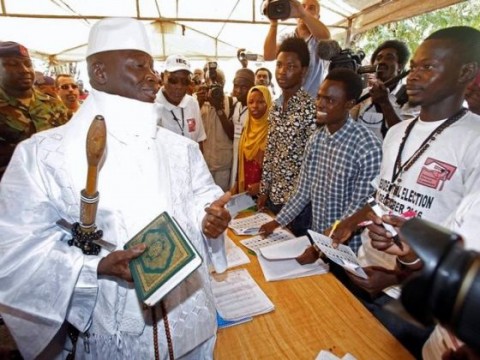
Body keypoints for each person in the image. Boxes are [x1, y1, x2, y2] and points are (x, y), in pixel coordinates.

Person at [0, 17, 231, 359]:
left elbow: (202, 196)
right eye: (139, 66)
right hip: (114, 330)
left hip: (189, 322)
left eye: (152, 67)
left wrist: (210, 218)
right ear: (99, 73)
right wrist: (95, 267)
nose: (153, 76)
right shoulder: (43, 155)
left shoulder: (178, 147)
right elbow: (14, 250)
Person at [329, 26, 480, 358]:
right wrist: (353, 219)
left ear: (465, 73)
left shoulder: (474, 140)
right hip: (365, 268)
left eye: (429, 67)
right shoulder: (397, 131)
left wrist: (394, 275)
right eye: (415, 67)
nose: (414, 76)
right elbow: (384, 195)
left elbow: (467, 256)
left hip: (412, 299)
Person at [259, 69, 382, 254]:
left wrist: (321, 247)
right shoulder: (315, 139)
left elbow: (359, 207)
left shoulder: (367, 147)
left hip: (348, 248)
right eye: (319, 97)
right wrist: (277, 222)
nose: (320, 105)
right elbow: (302, 191)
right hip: (318, 238)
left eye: (330, 100)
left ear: (349, 104)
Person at [258, 36, 316, 236]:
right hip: (274, 197)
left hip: (298, 205)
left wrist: (293, 206)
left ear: (304, 71)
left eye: (290, 66)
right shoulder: (275, 106)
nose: (282, 71)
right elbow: (270, 151)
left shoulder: (311, 109)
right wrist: (264, 189)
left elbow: (312, 164)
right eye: (279, 65)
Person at [0, 41, 69, 179]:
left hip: (52, 188)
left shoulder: (54, 105)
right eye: (13, 64)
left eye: (28, 64)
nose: (25, 70)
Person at [351, 39, 420, 141]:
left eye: (389, 57)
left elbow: (406, 138)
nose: (382, 62)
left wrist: (384, 103)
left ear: (400, 66)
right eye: (378, 58)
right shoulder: (364, 95)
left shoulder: (410, 97)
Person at [263, 0, 330, 98]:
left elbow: (326, 37)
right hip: (288, 102)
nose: (305, 10)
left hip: (312, 103)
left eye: (311, 8)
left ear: (318, 17)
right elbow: (268, 56)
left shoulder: (319, 39)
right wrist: (273, 23)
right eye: (303, 6)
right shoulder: (287, 38)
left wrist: (303, 14)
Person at [198, 67, 242, 191]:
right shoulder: (198, 101)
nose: (214, 84)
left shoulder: (232, 102)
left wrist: (219, 108)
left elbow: (233, 134)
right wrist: (198, 103)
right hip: (203, 164)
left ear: (224, 83)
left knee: (222, 200)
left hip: (223, 164)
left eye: (218, 81)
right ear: (205, 83)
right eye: (210, 81)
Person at [156, 54, 206, 148]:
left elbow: (199, 142)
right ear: (163, 77)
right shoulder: (152, 105)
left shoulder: (193, 103)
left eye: (185, 82)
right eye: (173, 80)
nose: (179, 87)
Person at [234, 85, 272, 196]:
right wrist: (236, 183)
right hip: (245, 188)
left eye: (261, 102)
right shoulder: (246, 129)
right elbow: (240, 159)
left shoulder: (273, 130)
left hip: (265, 193)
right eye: (251, 102)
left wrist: (262, 186)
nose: (255, 106)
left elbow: (278, 168)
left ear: (269, 103)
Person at [230, 68, 255, 188]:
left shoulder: (255, 109)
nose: (238, 91)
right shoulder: (236, 105)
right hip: (235, 152)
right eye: (236, 86)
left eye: (244, 87)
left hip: (248, 157)